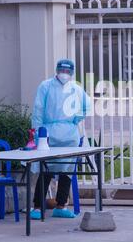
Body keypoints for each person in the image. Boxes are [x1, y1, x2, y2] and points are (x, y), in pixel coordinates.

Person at [30, 59, 90, 220]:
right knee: (46, 170)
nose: (64, 74)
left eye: (67, 71)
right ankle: (37, 207)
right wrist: (37, 131)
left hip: (69, 135)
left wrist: (73, 122)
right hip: (49, 134)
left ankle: (61, 205)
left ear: (72, 73)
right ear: (57, 70)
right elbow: (38, 109)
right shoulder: (46, 86)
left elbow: (85, 107)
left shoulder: (76, 89)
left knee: (67, 171)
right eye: (62, 70)